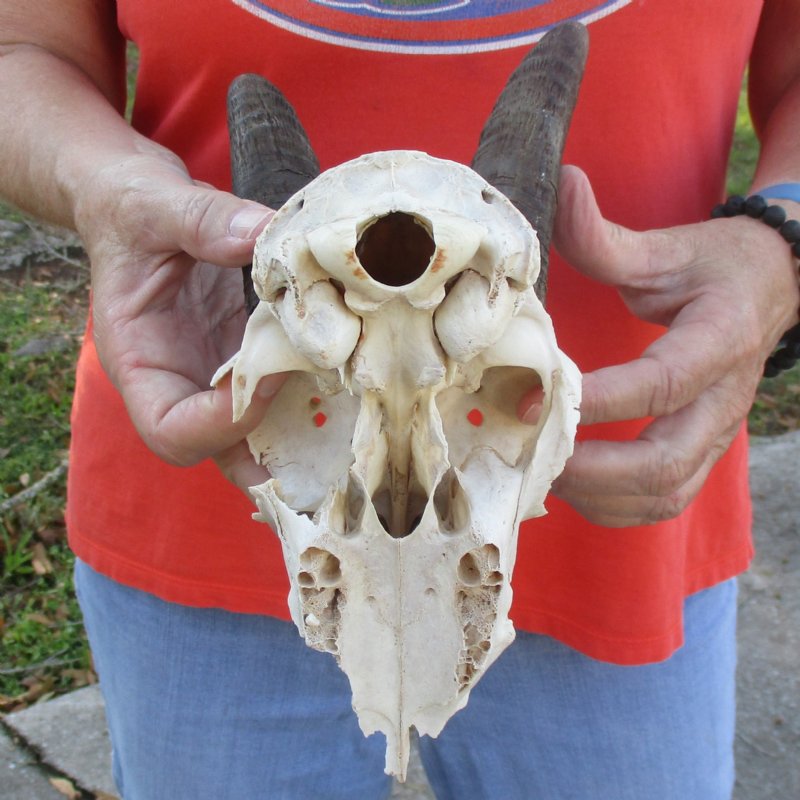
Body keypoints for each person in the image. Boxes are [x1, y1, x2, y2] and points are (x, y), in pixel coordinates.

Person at [1, 2, 798, 798]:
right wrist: (99, 182)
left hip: (618, 543)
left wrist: (783, 237)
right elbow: (21, 48)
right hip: (218, 489)